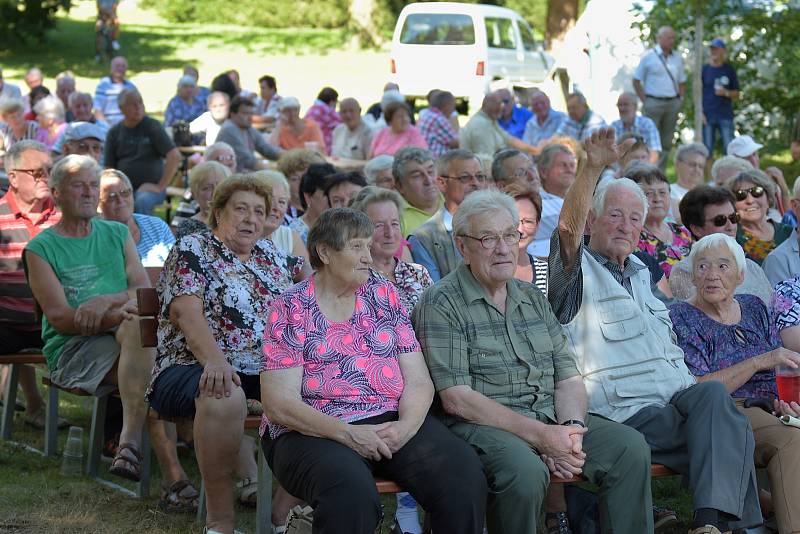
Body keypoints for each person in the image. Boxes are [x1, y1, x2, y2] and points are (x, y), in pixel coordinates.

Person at [549, 128, 762, 534]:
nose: (626, 226)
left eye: (635, 218)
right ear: (593, 218)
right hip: (625, 413)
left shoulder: (642, 274)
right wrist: (592, 167)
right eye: (615, 215)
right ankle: (728, 526)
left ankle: (707, 523)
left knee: (716, 399)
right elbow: (566, 230)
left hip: (675, 401)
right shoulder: (574, 275)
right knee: (731, 431)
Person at [413, 188, 653, 534]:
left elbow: (568, 377)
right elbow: (457, 398)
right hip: (483, 425)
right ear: (462, 247)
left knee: (629, 448)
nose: (503, 248)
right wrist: (542, 436)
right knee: (525, 473)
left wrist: (570, 430)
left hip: (548, 418)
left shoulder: (530, 296)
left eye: (510, 235)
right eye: (488, 238)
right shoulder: (441, 303)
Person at [260, 208, 487, 534]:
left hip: (389, 421)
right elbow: (279, 404)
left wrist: (405, 427)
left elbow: (419, 380)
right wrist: (349, 434)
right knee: (349, 492)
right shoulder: (292, 307)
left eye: (368, 246)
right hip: (312, 430)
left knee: (461, 474)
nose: (369, 256)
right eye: (357, 247)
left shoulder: (383, 295)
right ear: (324, 251)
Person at [25, 154, 196, 507]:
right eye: (79, 186)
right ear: (56, 193)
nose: (88, 193)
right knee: (151, 357)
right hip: (74, 348)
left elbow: (141, 290)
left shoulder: (117, 233)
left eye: (92, 186)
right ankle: (171, 476)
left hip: (124, 331)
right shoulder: (40, 248)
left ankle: (133, 446)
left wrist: (104, 302)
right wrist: (115, 312)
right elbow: (61, 319)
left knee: (138, 330)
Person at [148, 174, 303, 534]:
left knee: (336, 392)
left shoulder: (272, 256)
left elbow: (303, 305)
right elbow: (185, 312)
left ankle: (282, 512)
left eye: (259, 212)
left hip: (263, 372)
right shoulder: (193, 249)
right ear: (218, 213)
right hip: (191, 366)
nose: (251, 219)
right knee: (223, 394)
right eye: (241, 209)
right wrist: (215, 359)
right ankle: (221, 522)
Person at [670, 233, 800, 534]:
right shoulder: (681, 317)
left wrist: (781, 401)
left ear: (740, 276)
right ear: (692, 275)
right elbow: (697, 386)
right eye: (702, 267)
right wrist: (757, 361)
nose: (712, 275)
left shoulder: (754, 307)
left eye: (723, 266)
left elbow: (773, 373)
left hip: (768, 408)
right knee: (792, 440)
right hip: (723, 413)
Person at [349, 186, 432, 533]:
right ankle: (407, 509)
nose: (388, 232)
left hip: (423, 371)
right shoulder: (353, 279)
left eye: (394, 224)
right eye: (377, 224)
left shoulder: (419, 275)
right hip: (375, 380)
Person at [0, 141, 65, 430]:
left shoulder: (67, 216)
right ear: (12, 177)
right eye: (38, 172)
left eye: (50, 171)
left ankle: (115, 434)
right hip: (8, 324)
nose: (46, 179)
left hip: (62, 325)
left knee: (128, 337)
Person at [670, 184, 773, 304]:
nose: (730, 227)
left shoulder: (751, 267)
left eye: (733, 218)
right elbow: (701, 316)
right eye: (720, 221)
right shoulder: (684, 271)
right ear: (696, 229)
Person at [408, 149, 487, 281]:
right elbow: (434, 294)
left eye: (479, 176)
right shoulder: (423, 238)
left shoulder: (501, 225)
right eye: (465, 177)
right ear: (442, 183)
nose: (475, 183)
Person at [104, 89, 181, 215]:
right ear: (121, 109)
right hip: (122, 188)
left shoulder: (152, 126)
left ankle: (143, 234)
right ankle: (117, 234)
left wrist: (160, 187)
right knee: (108, 202)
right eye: (133, 104)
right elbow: (108, 169)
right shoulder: (114, 132)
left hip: (150, 188)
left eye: (140, 102)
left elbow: (174, 156)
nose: (138, 107)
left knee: (142, 201)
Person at [633, 26, 686, 169]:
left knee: (666, 141)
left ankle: (659, 173)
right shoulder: (648, 57)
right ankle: (645, 170)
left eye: (673, 38)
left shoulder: (677, 58)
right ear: (659, 38)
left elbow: (682, 81)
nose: (672, 41)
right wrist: (646, 100)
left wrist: (679, 100)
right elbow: (636, 80)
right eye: (669, 37)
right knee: (648, 139)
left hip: (672, 103)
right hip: (653, 102)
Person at [98, 169, 175, 267]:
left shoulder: (157, 226)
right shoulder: (96, 239)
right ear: (98, 205)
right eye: (112, 196)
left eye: (125, 192)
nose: (120, 200)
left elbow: (178, 266)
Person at [628, 164, 693, 277]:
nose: (657, 199)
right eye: (649, 193)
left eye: (662, 193)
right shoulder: (634, 236)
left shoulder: (683, 232)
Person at [728, 169, 793, 265]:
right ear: (733, 203)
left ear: (768, 198)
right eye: (741, 194)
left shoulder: (789, 233)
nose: (750, 200)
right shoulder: (732, 239)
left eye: (756, 192)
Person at [528, 143, 577, 257]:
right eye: (563, 165)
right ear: (544, 172)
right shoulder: (533, 202)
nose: (569, 169)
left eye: (572, 165)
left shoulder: (579, 200)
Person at [255, 170, 311, 268]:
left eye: (282, 202)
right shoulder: (239, 236)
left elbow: (308, 278)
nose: (276, 207)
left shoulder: (290, 237)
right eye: (269, 200)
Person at [500, 181, 548, 294]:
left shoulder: (547, 273)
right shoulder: (488, 268)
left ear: (537, 225)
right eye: (514, 221)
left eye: (528, 222)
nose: (520, 230)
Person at [460, 91, 538, 158]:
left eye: (505, 102)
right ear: (489, 104)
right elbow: (486, 161)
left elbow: (509, 140)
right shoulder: (481, 124)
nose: (502, 107)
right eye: (500, 103)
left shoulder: (491, 120)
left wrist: (536, 150)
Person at [216, 96, 282, 172]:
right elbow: (248, 160)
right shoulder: (229, 130)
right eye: (245, 113)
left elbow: (267, 149)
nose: (250, 117)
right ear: (233, 114)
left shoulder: (248, 128)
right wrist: (271, 173)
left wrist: (289, 156)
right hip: (227, 177)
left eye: (251, 113)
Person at [174, 160, 230, 240]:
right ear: (194, 194)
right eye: (207, 188)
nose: (215, 192)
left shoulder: (239, 222)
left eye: (220, 186)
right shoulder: (188, 227)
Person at [702, 39, 740, 155]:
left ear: (723, 51)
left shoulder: (729, 70)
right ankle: (708, 174)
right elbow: (698, 93)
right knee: (706, 151)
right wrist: (700, 112)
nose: (714, 51)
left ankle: (730, 173)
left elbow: (737, 94)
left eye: (716, 49)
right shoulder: (705, 69)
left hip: (725, 115)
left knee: (729, 150)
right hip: (707, 115)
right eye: (712, 49)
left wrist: (726, 93)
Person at [392, 147, 441, 235]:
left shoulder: (453, 197)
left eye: (430, 172)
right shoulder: (394, 217)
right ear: (400, 186)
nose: (429, 181)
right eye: (417, 176)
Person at [288, 162, 337, 244]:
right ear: (308, 197)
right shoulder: (296, 234)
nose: (332, 200)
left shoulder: (341, 227)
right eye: (326, 194)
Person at [275, 148, 325, 224]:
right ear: (285, 181)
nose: (302, 183)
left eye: (307, 178)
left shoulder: (324, 211)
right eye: (295, 179)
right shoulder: (280, 214)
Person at [610, 92, 661, 164]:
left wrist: (644, 171)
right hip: (618, 170)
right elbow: (610, 155)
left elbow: (654, 154)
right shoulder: (613, 127)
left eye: (625, 104)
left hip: (643, 168)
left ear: (635, 107)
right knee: (607, 174)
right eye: (619, 105)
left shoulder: (647, 124)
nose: (621, 108)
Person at [93, 56, 137, 126]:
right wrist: (108, 129)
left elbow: (137, 108)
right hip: (108, 126)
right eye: (117, 66)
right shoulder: (103, 85)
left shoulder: (131, 87)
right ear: (111, 69)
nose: (120, 68)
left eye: (123, 66)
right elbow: (98, 111)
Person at [0, 98, 40, 169]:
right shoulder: (4, 130)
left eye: (19, 115)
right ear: (5, 119)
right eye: (13, 117)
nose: (17, 119)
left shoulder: (34, 128)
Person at [418, 90, 459, 158]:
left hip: (425, 156)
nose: (453, 110)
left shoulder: (427, 114)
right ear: (447, 105)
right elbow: (456, 143)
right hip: (436, 160)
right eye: (453, 105)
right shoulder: (439, 119)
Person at [670, 142, 709, 213]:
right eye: (692, 164)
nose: (697, 170)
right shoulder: (667, 193)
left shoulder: (707, 195)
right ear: (677, 164)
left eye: (701, 166)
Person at [304, 87, 341, 155]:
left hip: (309, 144)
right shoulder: (328, 111)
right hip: (324, 145)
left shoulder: (312, 109)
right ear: (332, 101)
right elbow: (341, 122)